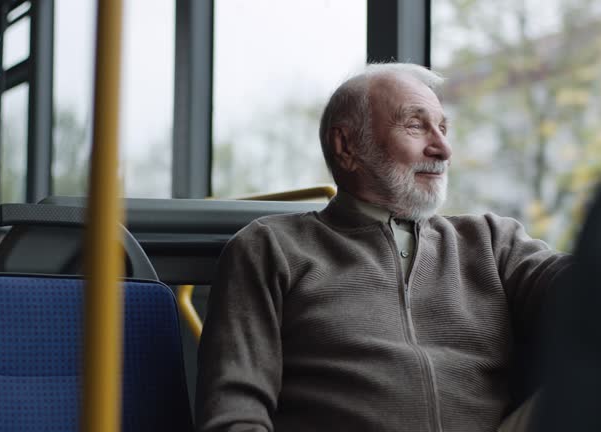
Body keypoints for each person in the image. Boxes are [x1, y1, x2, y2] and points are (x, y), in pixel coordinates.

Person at [195, 63, 572, 432]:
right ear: (346, 146)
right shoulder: (271, 248)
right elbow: (235, 414)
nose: (443, 148)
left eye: (442, 128)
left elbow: (590, 287)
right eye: (415, 125)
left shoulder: (491, 241)